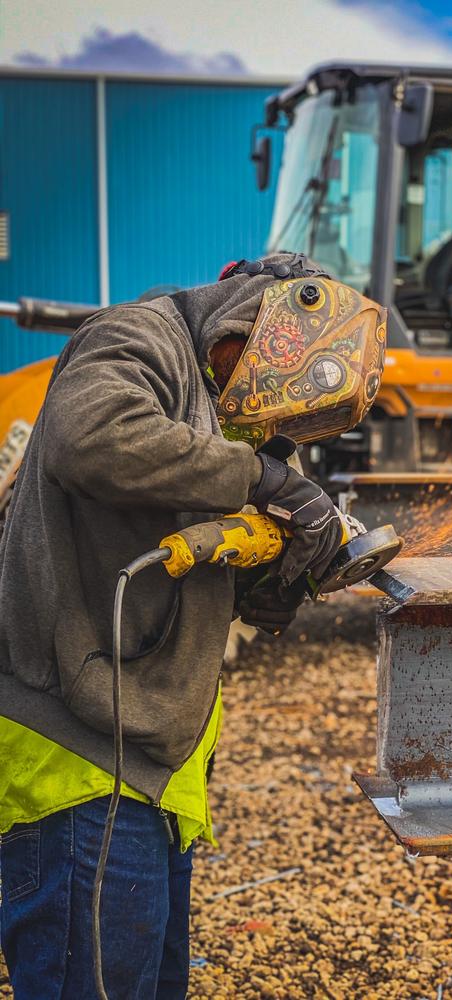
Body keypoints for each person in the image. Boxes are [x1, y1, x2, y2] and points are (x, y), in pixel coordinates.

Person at [0, 253, 350, 999]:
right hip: (79, 763)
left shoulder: (219, 403)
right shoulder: (136, 338)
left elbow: (173, 532)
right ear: (247, 322)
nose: (262, 429)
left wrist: (267, 583)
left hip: (150, 767)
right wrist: (265, 480)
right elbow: (91, 437)